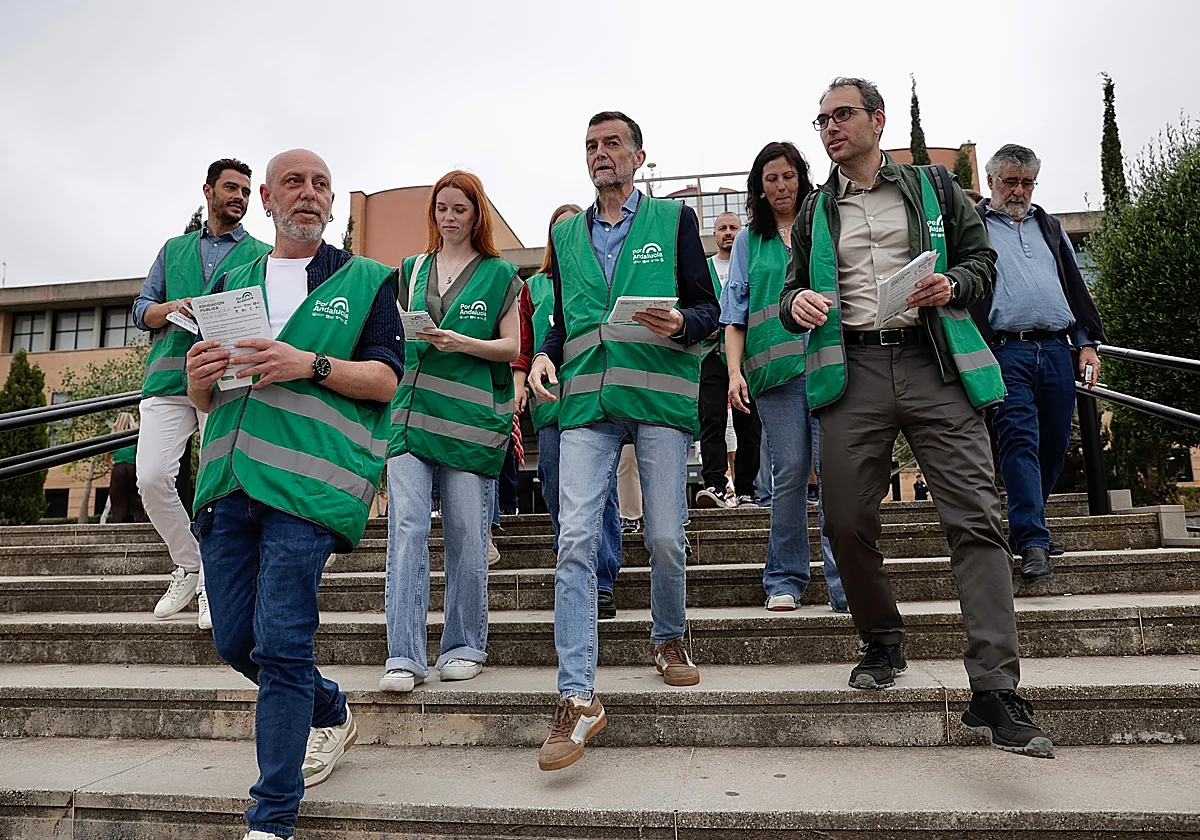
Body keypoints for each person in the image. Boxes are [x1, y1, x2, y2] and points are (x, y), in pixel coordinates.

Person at [782, 77, 1053, 758]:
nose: (830, 127)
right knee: (844, 521)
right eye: (821, 119)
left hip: (936, 362)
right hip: (853, 371)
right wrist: (798, 306)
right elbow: (791, 288)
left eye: (842, 115)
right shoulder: (815, 210)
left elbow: (981, 261)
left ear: (876, 120)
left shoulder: (934, 186)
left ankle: (994, 690)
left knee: (977, 521)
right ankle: (882, 639)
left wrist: (954, 284)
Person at [186, 148, 403, 840]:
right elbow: (207, 394)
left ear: (332, 202)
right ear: (269, 203)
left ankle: (271, 818)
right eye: (293, 184)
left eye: (321, 184)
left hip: (307, 487)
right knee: (234, 640)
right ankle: (331, 710)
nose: (309, 194)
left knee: (281, 643)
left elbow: (387, 382)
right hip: (228, 480)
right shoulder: (232, 278)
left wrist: (307, 363)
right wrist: (196, 374)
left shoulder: (367, 280)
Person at [529, 110, 719, 771]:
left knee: (665, 534)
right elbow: (563, 320)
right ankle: (576, 698)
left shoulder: (673, 223)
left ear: (639, 158)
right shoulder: (566, 234)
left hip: (659, 398)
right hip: (586, 404)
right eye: (591, 145)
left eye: (613, 144)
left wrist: (681, 321)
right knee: (576, 538)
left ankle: (669, 638)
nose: (600, 153)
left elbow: (709, 310)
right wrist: (542, 357)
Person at [382, 170, 522, 694]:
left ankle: (464, 644)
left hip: (468, 424)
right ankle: (404, 654)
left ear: (476, 214)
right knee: (407, 530)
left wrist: (461, 342)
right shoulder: (411, 269)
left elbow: (511, 348)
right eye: (441, 207)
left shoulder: (501, 274)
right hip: (411, 417)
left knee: (466, 535)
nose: (449, 217)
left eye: (459, 208)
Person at [134, 158, 271, 629]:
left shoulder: (261, 254)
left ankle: (216, 582)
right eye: (231, 188)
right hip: (169, 381)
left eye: (246, 191)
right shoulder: (173, 250)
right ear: (208, 191)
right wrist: (170, 307)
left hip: (228, 382)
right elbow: (141, 310)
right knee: (150, 478)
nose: (239, 197)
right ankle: (191, 562)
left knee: (217, 490)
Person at [722, 141, 846, 613]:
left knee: (835, 476)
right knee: (790, 473)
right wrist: (734, 372)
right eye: (770, 178)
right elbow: (733, 314)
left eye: (788, 176)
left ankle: (844, 583)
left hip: (829, 368)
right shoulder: (749, 241)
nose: (780, 186)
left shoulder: (823, 225)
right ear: (759, 185)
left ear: (802, 178)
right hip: (775, 377)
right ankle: (785, 578)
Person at [972, 144, 1104, 582]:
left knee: (1053, 446)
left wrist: (1087, 344)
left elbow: (1073, 284)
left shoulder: (1050, 226)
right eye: (1010, 181)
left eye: (1027, 182)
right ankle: (1032, 541)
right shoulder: (974, 227)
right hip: (1006, 349)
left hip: (1057, 349)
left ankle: (1031, 525)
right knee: (1019, 441)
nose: (1019, 190)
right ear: (991, 181)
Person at [527, 203, 625, 621]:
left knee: (598, 492)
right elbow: (529, 340)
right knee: (553, 482)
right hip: (550, 403)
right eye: (558, 228)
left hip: (591, 400)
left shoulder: (602, 275)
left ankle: (600, 580)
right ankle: (571, 556)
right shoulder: (534, 285)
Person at [696, 211, 761, 509]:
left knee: (748, 421)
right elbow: (692, 306)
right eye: (722, 228)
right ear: (714, 235)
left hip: (747, 355)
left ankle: (746, 487)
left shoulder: (752, 263)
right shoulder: (702, 268)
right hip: (711, 356)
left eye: (734, 227)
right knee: (711, 419)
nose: (728, 232)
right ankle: (715, 484)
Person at [107, 413, 144, 523]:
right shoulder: (136, 436)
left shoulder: (113, 437)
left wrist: (112, 464)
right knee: (134, 494)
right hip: (133, 467)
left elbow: (107, 457)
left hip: (118, 468)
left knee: (118, 497)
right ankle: (136, 517)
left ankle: (118, 519)